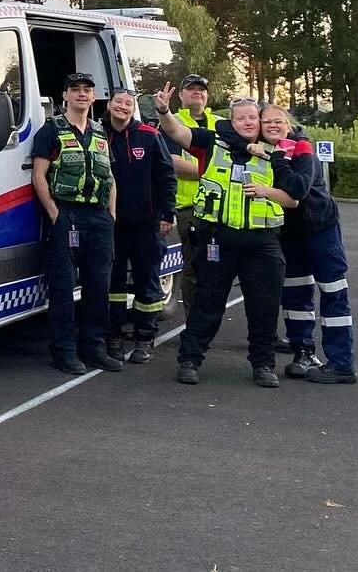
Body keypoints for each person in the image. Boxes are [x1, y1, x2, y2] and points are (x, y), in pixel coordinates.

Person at [153, 87, 300, 387]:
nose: (247, 122)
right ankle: (190, 360)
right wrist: (164, 111)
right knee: (207, 304)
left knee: (264, 307)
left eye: (252, 118)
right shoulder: (212, 142)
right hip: (217, 240)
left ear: (260, 122)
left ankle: (263, 365)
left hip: (262, 242)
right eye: (240, 118)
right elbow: (177, 133)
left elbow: (293, 198)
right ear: (231, 122)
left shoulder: (276, 152)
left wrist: (267, 190)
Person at [30, 72, 123, 375]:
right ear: (65, 95)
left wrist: (111, 214)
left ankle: (94, 348)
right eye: (76, 89)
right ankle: (65, 352)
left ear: (94, 96)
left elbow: (109, 177)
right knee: (64, 287)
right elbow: (39, 176)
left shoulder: (99, 132)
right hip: (67, 215)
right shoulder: (51, 130)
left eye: (87, 90)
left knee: (99, 285)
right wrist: (54, 213)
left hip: (99, 217)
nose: (82, 94)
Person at [261, 104, 357, 383]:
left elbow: (297, 190)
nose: (273, 126)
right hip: (290, 233)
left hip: (320, 228)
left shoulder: (301, 148)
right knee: (295, 295)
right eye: (266, 122)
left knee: (332, 291)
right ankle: (302, 353)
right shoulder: (260, 148)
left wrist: (277, 159)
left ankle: (341, 364)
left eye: (278, 121)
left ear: (288, 124)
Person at [103, 89, 177, 364]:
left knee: (147, 283)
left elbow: (166, 175)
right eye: (118, 102)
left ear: (132, 108)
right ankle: (113, 336)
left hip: (147, 224)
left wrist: (167, 213)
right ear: (109, 104)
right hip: (111, 225)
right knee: (113, 285)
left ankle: (144, 339)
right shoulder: (98, 135)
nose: (122, 107)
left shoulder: (149, 135)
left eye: (128, 103)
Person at [172, 75, 221, 313]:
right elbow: (173, 162)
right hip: (188, 208)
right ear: (181, 95)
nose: (197, 92)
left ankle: (211, 317)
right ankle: (194, 321)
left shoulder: (221, 124)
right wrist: (211, 174)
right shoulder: (172, 122)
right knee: (192, 269)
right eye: (191, 89)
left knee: (217, 267)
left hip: (220, 209)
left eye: (201, 89)